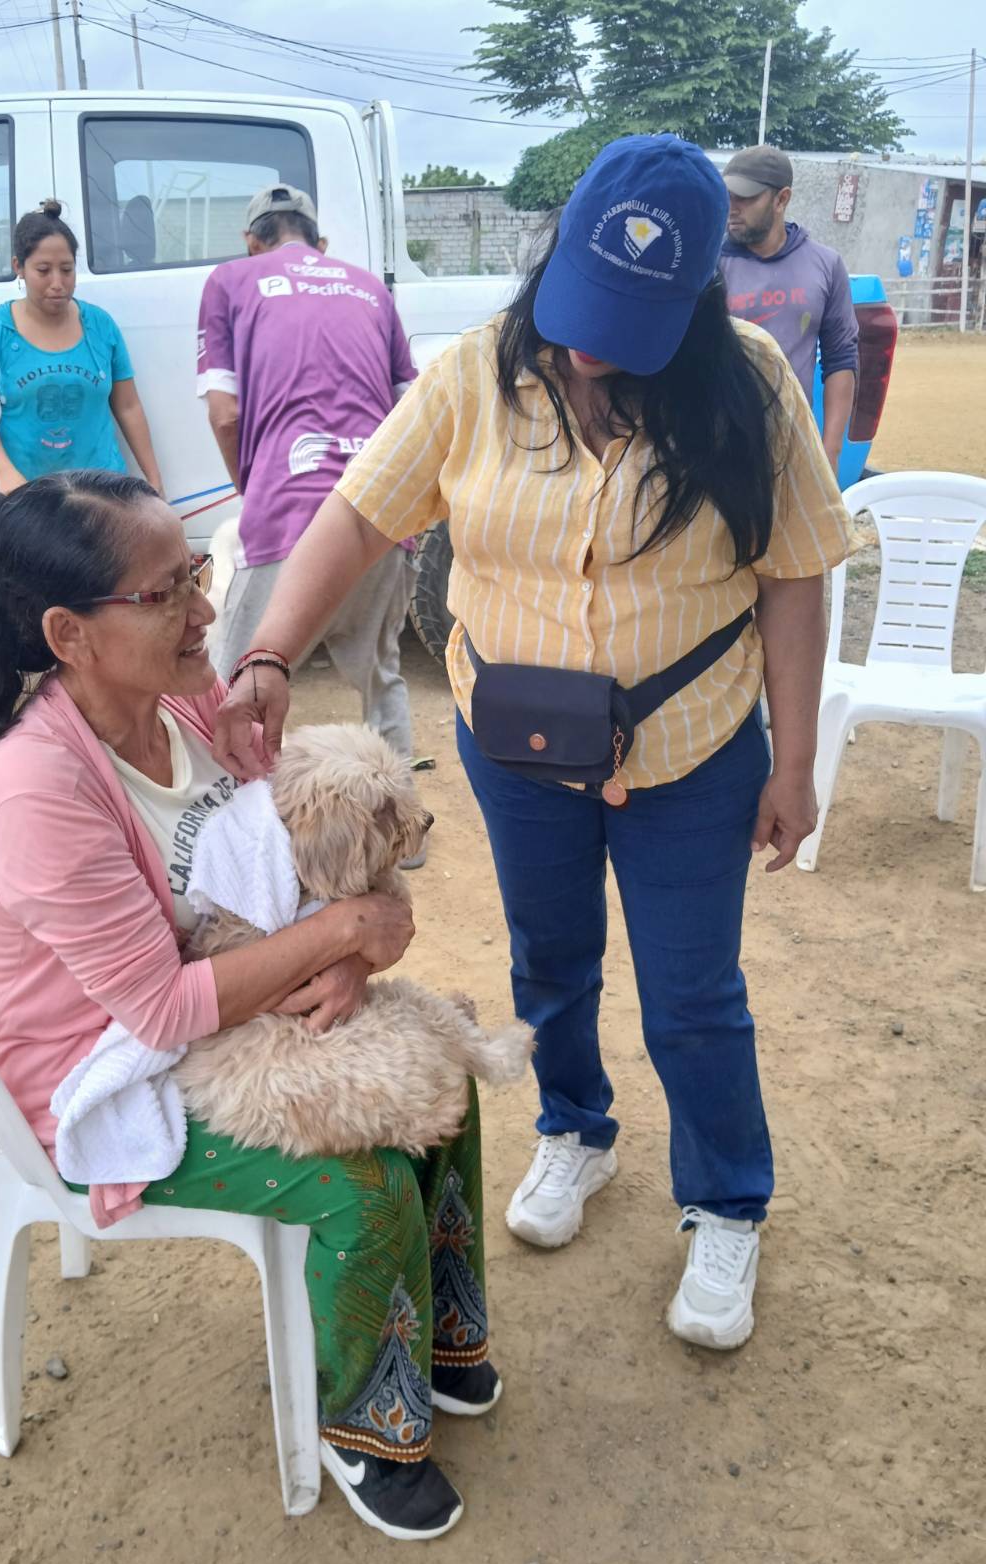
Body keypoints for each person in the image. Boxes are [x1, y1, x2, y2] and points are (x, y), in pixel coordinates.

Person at [213, 136, 852, 1353]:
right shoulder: (473, 376)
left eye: (630, 325)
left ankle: (726, 1201)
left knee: (694, 992)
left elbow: (795, 576)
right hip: (520, 745)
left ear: (696, 301)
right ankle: (574, 1128)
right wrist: (270, 653)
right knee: (551, 959)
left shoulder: (754, 384)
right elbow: (357, 516)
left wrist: (794, 760)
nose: (589, 349)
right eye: (581, 307)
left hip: (691, 747)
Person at [0, 469, 497, 1540]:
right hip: (104, 1075)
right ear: (69, 634)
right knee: (366, 1180)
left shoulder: (183, 705)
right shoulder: (38, 789)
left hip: (229, 1012)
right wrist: (344, 933)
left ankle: (442, 1336)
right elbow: (158, 1009)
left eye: (196, 573)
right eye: (166, 593)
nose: (204, 609)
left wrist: (356, 948)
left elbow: (304, 864)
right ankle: (366, 1423)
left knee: (444, 1074)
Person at [197, 183, 420, 772]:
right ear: (319, 243)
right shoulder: (370, 287)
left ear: (252, 241)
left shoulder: (230, 280)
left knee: (236, 689)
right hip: (379, 516)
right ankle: (403, 818)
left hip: (286, 517)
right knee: (382, 682)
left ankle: (233, 817)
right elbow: (414, 411)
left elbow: (225, 414)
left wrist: (254, 491)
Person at [0, 201, 163, 495]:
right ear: (19, 267)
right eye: (43, 270)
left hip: (102, 491)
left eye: (67, 270)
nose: (57, 283)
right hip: (27, 492)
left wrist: (154, 480)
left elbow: (128, 406)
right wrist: (5, 472)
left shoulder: (101, 326)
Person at [719, 145, 859, 479]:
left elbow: (841, 358)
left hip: (792, 447)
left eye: (745, 198)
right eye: (728, 196)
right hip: (718, 445)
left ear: (781, 199)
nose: (732, 208)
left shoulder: (825, 265)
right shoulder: (709, 263)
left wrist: (830, 451)